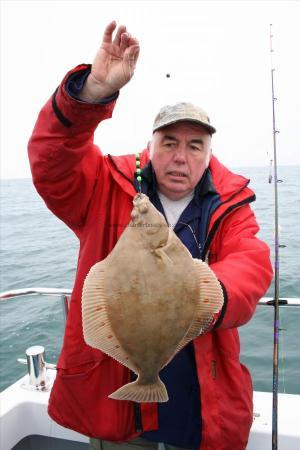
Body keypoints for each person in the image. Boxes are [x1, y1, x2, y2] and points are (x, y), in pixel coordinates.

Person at [28, 21, 273, 450]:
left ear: (208, 154)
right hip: (116, 404)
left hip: (202, 405)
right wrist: (92, 93)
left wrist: (205, 294)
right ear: (151, 145)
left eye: (195, 145)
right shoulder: (106, 184)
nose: (180, 156)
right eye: (169, 142)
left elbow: (251, 261)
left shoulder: (231, 204)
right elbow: (54, 162)